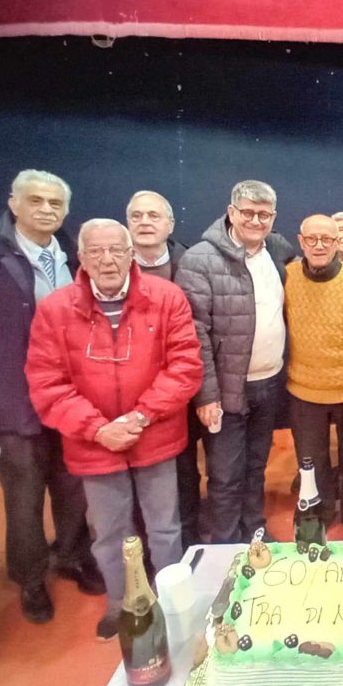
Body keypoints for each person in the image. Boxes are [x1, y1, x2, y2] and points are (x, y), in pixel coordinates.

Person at [0, 169, 102, 626]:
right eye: (36, 200)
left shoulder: (75, 256)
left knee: (74, 488)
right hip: (13, 405)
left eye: (55, 203)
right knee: (24, 499)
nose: (46, 209)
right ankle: (30, 578)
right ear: (14, 203)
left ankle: (71, 555)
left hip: (70, 402)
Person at [26, 218, 203, 639]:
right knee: (110, 534)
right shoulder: (54, 309)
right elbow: (46, 384)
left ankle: (171, 601)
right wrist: (98, 429)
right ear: (82, 258)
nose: (107, 260)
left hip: (155, 434)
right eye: (96, 252)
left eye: (115, 251)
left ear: (130, 254)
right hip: (93, 445)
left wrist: (141, 416)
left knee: (164, 528)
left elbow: (185, 367)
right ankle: (123, 607)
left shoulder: (167, 297)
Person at [176, 180, 296, 543]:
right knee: (226, 475)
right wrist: (206, 395)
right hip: (225, 391)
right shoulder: (200, 259)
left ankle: (254, 533)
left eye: (264, 214)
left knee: (256, 467)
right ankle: (226, 547)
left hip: (269, 382)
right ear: (231, 213)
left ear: (273, 218)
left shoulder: (277, 250)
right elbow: (194, 332)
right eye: (248, 212)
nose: (256, 221)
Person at [285, 214, 343, 539]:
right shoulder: (287, 278)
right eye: (312, 239)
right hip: (304, 390)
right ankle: (320, 514)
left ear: (339, 243)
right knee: (312, 463)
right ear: (300, 241)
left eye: (327, 239)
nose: (319, 245)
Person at [126, 190, 204, 549]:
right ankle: (139, 544)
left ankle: (186, 539)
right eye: (137, 216)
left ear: (169, 224)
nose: (145, 222)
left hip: (182, 388)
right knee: (134, 476)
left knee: (185, 470)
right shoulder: (109, 268)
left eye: (153, 216)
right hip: (129, 395)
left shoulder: (189, 262)